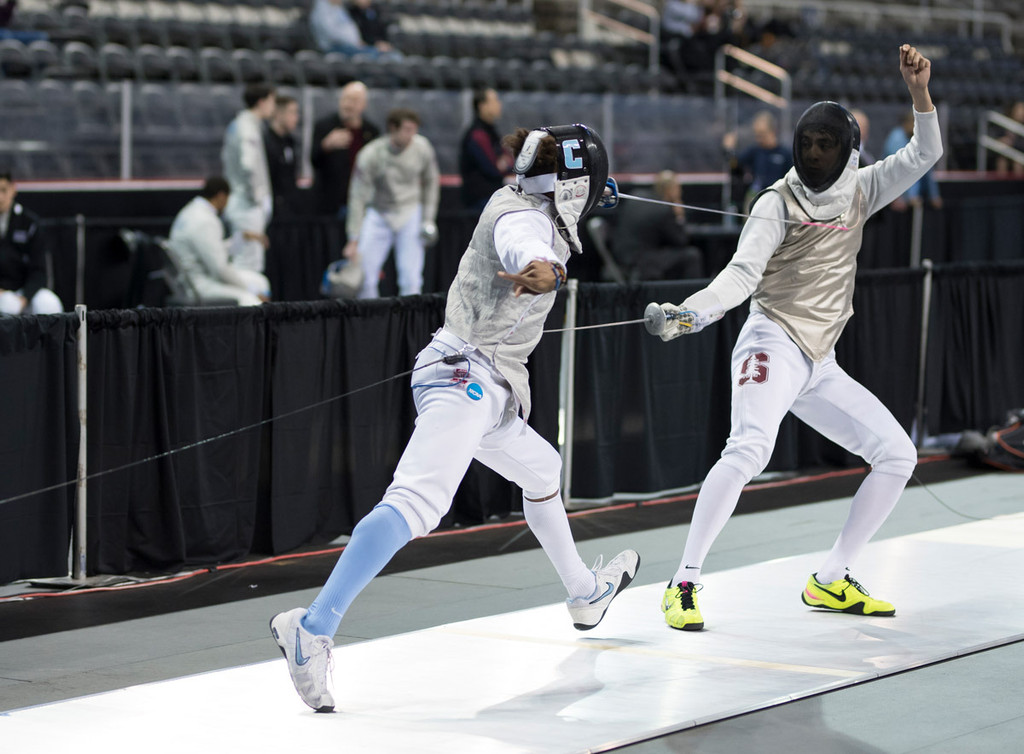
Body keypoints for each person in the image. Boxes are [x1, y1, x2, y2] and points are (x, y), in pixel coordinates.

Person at [270, 124, 641, 712]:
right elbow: (532, 252)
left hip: (487, 386)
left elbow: (552, 217)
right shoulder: (523, 223)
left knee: (544, 469)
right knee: (417, 502)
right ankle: (311, 629)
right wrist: (552, 269)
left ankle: (584, 593)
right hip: (463, 376)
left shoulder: (524, 199)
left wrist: (593, 197)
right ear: (566, 189)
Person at [648, 44, 940, 631]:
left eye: (826, 146)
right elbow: (739, 277)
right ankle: (683, 582)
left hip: (819, 360)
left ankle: (831, 578)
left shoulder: (863, 187)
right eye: (808, 144)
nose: (815, 154)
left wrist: (919, 93)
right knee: (750, 449)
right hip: (772, 342)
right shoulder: (774, 202)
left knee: (897, 454)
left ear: (849, 152)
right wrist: (690, 315)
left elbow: (926, 151)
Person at [345, 108, 440, 299]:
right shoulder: (370, 154)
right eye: (406, 130)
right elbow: (358, 196)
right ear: (392, 128)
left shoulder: (422, 147)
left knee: (411, 279)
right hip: (379, 213)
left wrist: (428, 220)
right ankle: (371, 325)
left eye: (414, 130)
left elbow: (431, 182)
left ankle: (411, 326)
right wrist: (353, 238)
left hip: (410, 213)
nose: (411, 135)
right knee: (365, 278)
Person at [167, 177, 270, 306]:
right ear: (221, 196)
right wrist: (251, 291)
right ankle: (264, 324)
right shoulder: (205, 221)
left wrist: (242, 237)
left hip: (193, 279)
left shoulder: (190, 212)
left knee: (260, 281)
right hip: (199, 286)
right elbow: (220, 269)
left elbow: (213, 251)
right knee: (250, 300)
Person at [221, 83, 276, 273]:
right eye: (272, 101)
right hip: (246, 207)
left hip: (240, 203)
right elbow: (248, 165)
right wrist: (256, 197)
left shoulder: (238, 125)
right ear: (262, 102)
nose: (273, 107)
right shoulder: (247, 128)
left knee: (241, 262)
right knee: (249, 266)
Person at [611, 170, 703, 280]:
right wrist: (679, 216)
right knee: (692, 255)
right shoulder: (663, 210)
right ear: (671, 190)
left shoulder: (637, 195)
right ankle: (692, 291)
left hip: (620, 255)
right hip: (640, 261)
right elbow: (681, 241)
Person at [310, 81, 380, 220]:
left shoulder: (371, 131)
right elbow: (313, 160)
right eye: (345, 99)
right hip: (332, 199)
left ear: (363, 105)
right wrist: (325, 146)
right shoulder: (324, 125)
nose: (348, 104)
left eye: (354, 100)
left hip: (362, 198)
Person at [0, 170, 62, 315]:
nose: (0, 197)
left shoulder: (29, 223)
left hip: (23, 292)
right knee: (6, 306)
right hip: (2, 294)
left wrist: (24, 298)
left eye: (3, 190)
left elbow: (39, 270)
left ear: (12, 190)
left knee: (49, 304)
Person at [723, 110, 793, 211]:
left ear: (773, 131)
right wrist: (729, 150)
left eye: (762, 134)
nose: (758, 138)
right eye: (756, 134)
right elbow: (735, 165)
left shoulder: (785, 154)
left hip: (779, 201)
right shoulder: (755, 151)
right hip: (757, 199)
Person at [459, 88, 512, 215]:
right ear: (482, 106)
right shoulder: (477, 134)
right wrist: (502, 164)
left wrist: (504, 164)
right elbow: (492, 168)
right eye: (494, 100)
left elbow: (509, 160)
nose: (499, 104)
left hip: (493, 194)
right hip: (482, 199)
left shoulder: (491, 131)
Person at [883, 110, 941, 210]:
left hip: (913, 200)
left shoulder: (918, 138)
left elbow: (927, 168)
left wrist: (934, 195)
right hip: (894, 197)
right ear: (907, 123)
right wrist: (899, 197)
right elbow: (898, 169)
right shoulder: (897, 138)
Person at [309, 0, 391, 58]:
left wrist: (357, 41)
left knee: (385, 54)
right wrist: (354, 42)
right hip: (334, 47)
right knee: (373, 54)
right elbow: (332, 35)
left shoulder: (338, 9)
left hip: (350, 46)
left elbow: (351, 28)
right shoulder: (322, 11)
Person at [263, 94, 300, 219]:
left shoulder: (291, 141)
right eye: (292, 113)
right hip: (271, 208)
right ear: (278, 114)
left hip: (290, 208)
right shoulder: (265, 142)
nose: (296, 118)